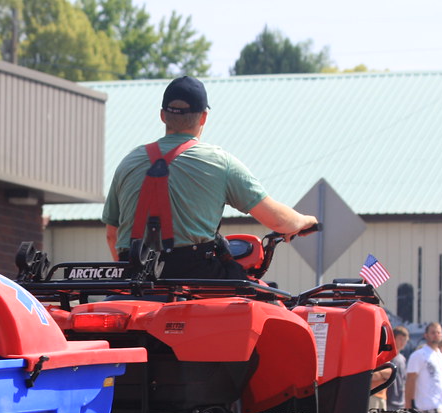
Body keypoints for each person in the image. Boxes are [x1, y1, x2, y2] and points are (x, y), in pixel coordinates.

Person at [102, 76, 318, 278]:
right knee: (265, 302)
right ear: (204, 117)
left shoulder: (128, 162)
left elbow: (112, 234)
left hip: (131, 276)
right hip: (196, 278)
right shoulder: (219, 162)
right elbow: (278, 221)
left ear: (162, 115)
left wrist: (131, 281)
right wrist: (305, 221)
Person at [404, 322, 442, 413]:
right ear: (426, 335)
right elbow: (410, 380)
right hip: (427, 404)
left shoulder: (440, 356)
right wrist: (408, 405)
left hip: (441, 404)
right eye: (433, 332)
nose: (436, 335)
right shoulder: (419, 355)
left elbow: (441, 380)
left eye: (438, 332)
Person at [386, 326, 410, 411]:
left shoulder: (402, 359)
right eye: (400, 339)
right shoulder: (387, 357)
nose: (402, 342)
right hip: (389, 400)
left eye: (405, 340)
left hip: (400, 400)